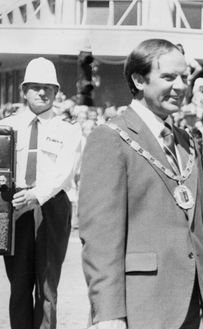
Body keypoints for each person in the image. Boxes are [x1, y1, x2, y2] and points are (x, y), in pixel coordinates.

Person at [78, 39, 203, 329]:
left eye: (184, 77)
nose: (180, 86)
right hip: (141, 306)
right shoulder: (110, 137)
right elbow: (100, 238)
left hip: (193, 302)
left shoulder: (188, 140)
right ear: (139, 80)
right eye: (168, 77)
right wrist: (108, 313)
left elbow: (198, 227)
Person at [0, 57, 82, 329]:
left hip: (51, 206)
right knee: (19, 284)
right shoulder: (7, 127)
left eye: (48, 87)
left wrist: (37, 195)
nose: (42, 92)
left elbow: (64, 172)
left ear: (57, 93)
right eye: (35, 86)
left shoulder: (67, 130)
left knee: (47, 286)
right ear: (24, 91)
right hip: (15, 206)